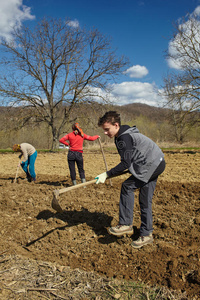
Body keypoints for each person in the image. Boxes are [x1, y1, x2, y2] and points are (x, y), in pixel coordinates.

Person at [95, 111, 165, 249]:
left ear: (116, 125)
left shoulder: (123, 138)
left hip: (151, 164)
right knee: (145, 200)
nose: (105, 133)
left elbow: (125, 163)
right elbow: (131, 159)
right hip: (157, 162)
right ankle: (146, 234)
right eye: (103, 130)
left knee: (127, 186)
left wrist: (106, 174)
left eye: (107, 129)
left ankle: (126, 224)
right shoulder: (125, 133)